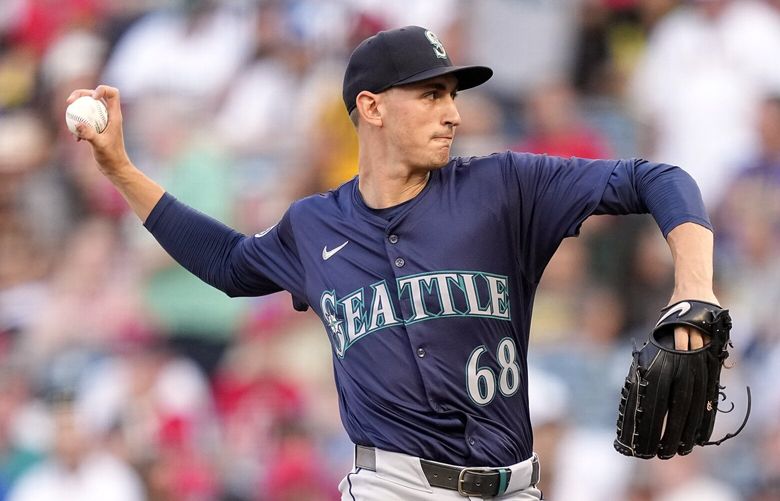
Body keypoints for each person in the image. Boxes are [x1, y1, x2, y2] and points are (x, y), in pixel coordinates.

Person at [69, 25, 719, 501]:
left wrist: (694, 286)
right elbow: (228, 261)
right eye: (431, 95)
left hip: (512, 485)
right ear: (372, 108)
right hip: (393, 487)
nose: (453, 113)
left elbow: (657, 177)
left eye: (452, 96)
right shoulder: (313, 226)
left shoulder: (504, 186)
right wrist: (122, 170)